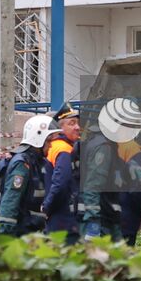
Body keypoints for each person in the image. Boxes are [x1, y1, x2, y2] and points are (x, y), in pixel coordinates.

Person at [0, 115, 53, 237]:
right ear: (38, 139)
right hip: (17, 233)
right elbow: (11, 199)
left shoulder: (38, 163)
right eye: (48, 141)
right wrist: (6, 234)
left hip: (30, 231)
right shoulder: (22, 164)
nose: (51, 145)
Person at [77, 124, 126, 240]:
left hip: (106, 216)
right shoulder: (103, 147)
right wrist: (93, 222)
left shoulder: (104, 144)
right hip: (101, 219)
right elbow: (93, 185)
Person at [40, 103, 81, 242]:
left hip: (61, 214)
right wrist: (47, 207)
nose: (78, 127)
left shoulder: (62, 147)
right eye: (72, 123)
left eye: (77, 123)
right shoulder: (62, 149)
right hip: (63, 216)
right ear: (60, 128)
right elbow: (60, 182)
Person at [117, 140, 141, 246]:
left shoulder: (92, 144)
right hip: (125, 216)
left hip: (98, 216)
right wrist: (139, 208)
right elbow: (139, 185)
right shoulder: (130, 147)